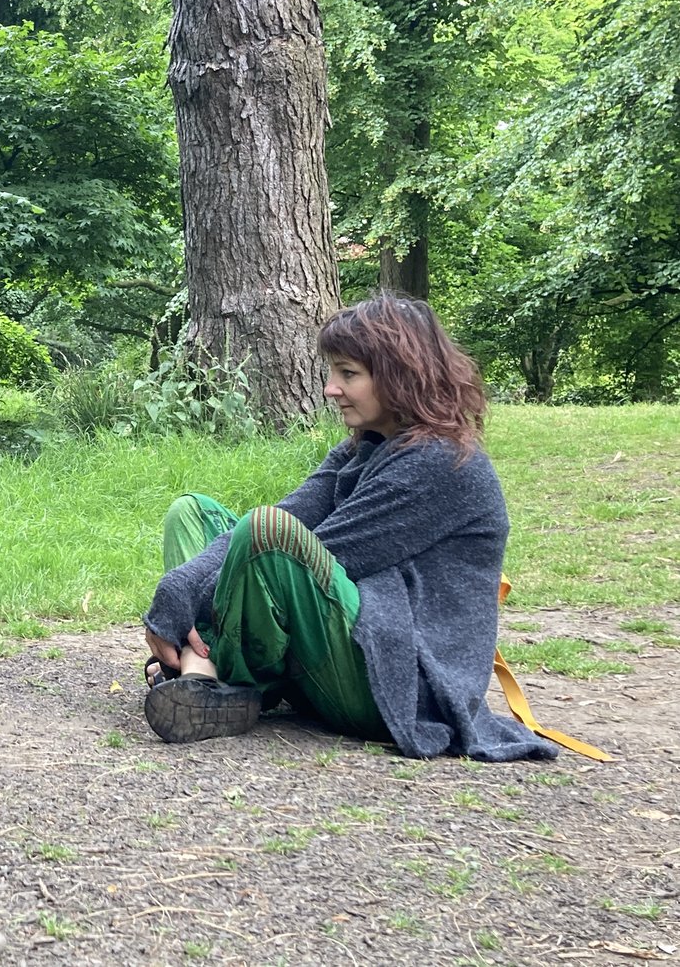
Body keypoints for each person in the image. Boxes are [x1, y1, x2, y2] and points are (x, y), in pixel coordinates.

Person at [141, 293, 558, 761]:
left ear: (403, 376)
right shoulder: (362, 450)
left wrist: (191, 615)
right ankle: (219, 683)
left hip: (394, 683)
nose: (329, 389)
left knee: (264, 534)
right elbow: (294, 513)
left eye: (348, 374)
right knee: (193, 512)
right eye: (333, 372)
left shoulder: (443, 464)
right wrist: (176, 589)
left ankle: (203, 675)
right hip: (339, 651)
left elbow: (308, 550)